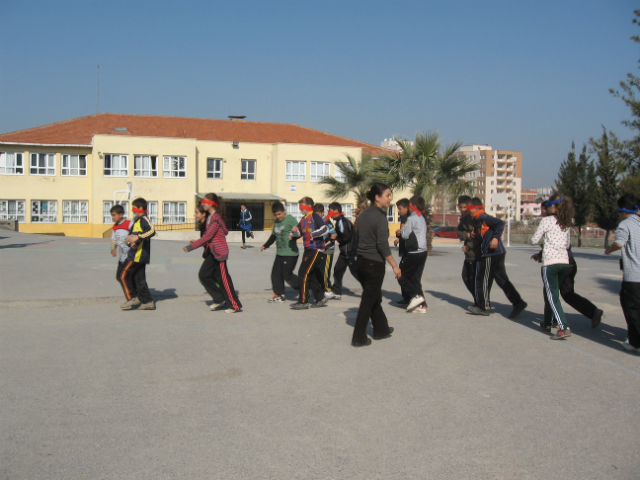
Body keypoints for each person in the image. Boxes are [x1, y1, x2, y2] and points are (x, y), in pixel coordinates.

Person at [531, 201, 603, 329]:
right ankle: (592, 312)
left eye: (543, 210)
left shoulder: (549, 221)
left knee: (551, 293)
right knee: (566, 293)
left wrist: (543, 254)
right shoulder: (562, 223)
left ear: (550, 210)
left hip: (558, 262)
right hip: (568, 263)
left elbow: (551, 244)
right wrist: (541, 254)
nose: (541, 213)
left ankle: (554, 322)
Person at [351, 183, 402, 347]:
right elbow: (382, 245)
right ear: (377, 197)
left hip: (361, 262)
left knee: (373, 297)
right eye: (387, 195)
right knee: (368, 300)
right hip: (373, 264)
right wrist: (394, 265)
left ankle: (382, 329)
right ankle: (358, 337)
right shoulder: (379, 217)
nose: (390, 198)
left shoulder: (363, 215)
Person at [466, 197, 527, 318]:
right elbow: (485, 233)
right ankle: (518, 302)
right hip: (496, 253)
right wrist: (474, 235)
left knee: (483, 279)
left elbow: (500, 223)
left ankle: (484, 307)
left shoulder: (483, 217)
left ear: (477, 208)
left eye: (469, 208)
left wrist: (495, 238)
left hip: (491, 253)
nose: (468, 211)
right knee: (502, 280)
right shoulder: (478, 220)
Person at [183, 193, 242, 313]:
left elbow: (209, 236)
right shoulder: (211, 218)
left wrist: (191, 246)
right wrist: (199, 242)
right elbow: (207, 236)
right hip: (212, 252)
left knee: (224, 280)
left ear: (211, 204)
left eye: (204, 202)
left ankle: (234, 305)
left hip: (219, 253)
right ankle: (219, 298)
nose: (202, 204)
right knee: (203, 274)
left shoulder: (215, 218)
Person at [529, 194, 574, 339]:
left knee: (552, 296)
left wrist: (536, 241)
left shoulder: (546, 221)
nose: (546, 209)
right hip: (564, 262)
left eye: (548, 206)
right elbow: (567, 244)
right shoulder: (566, 223)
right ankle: (547, 323)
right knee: (551, 293)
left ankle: (564, 327)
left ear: (553, 206)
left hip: (550, 263)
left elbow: (534, 240)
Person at [605, 194, 640, 353]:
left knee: (632, 308)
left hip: (634, 276)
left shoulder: (625, 225)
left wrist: (608, 250)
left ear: (622, 210)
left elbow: (619, 243)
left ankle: (635, 343)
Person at [289, 197, 329, 310]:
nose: (301, 209)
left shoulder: (315, 216)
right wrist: (293, 233)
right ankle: (320, 298)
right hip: (308, 249)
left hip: (316, 249)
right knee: (310, 274)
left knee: (303, 273)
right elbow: (300, 233)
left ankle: (303, 301)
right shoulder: (303, 219)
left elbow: (325, 229)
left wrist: (314, 234)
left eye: (302, 206)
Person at [120, 197, 156, 310]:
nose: (133, 211)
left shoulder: (144, 219)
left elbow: (152, 231)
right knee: (139, 278)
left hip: (138, 256)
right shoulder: (136, 222)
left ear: (140, 208)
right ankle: (147, 301)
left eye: (134, 208)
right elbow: (130, 237)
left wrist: (138, 237)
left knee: (123, 274)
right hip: (135, 254)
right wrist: (130, 242)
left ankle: (132, 297)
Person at [261, 201, 300, 302]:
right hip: (280, 253)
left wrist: (294, 236)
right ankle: (279, 295)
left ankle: (305, 287)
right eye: (275, 215)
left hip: (290, 253)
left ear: (284, 211)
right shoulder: (276, 222)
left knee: (287, 274)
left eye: (279, 214)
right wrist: (266, 245)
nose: (278, 216)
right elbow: (274, 235)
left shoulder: (290, 219)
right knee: (275, 274)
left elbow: (299, 232)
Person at [398, 195, 428, 314]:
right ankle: (422, 306)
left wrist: (403, 229)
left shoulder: (411, 218)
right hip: (423, 251)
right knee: (415, 279)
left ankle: (416, 296)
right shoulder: (422, 217)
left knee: (401, 275)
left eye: (409, 205)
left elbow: (405, 235)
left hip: (413, 252)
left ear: (414, 207)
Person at [326, 202, 359, 299]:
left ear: (336, 211)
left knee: (356, 272)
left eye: (330, 211)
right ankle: (336, 291)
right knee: (338, 270)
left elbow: (346, 237)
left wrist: (336, 238)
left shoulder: (342, 222)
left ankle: (371, 289)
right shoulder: (340, 221)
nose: (329, 214)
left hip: (350, 252)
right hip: (344, 252)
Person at [456, 195, 480, 303]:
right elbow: (459, 233)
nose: (463, 210)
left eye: (465, 207)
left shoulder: (475, 218)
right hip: (469, 254)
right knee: (466, 277)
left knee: (474, 279)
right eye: (461, 207)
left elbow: (477, 237)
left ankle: (481, 301)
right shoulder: (464, 219)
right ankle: (478, 300)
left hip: (476, 254)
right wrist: (467, 235)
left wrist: (468, 246)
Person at [110, 204, 135, 301]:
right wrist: (113, 248)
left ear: (121, 214)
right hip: (122, 257)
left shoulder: (129, 223)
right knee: (119, 276)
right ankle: (133, 293)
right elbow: (114, 239)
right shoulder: (115, 227)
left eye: (114, 215)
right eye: (112, 215)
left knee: (124, 276)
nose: (112, 217)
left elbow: (135, 235)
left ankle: (132, 296)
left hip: (130, 256)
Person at [314, 203, 337, 295]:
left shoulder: (327, 221)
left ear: (322, 212)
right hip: (319, 250)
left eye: (317, 214)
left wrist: (324, 245)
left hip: (327, 250)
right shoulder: (315, 221)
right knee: (318, 270)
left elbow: (334, 235)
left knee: (325, 271)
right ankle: (319, 288)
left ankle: (327, 289)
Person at [393, 198, 411, 306]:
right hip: (405, 251)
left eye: (400, 209)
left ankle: (411, 297)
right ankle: (406, 297)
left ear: (406, 208)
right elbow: (404, 233)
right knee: (403, 274)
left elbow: (408, 234)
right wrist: (398, 235)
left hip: (409, 251)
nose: (398, 211)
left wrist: (400, 235)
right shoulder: (403, 217)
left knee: (402, 274)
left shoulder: (408, 218)